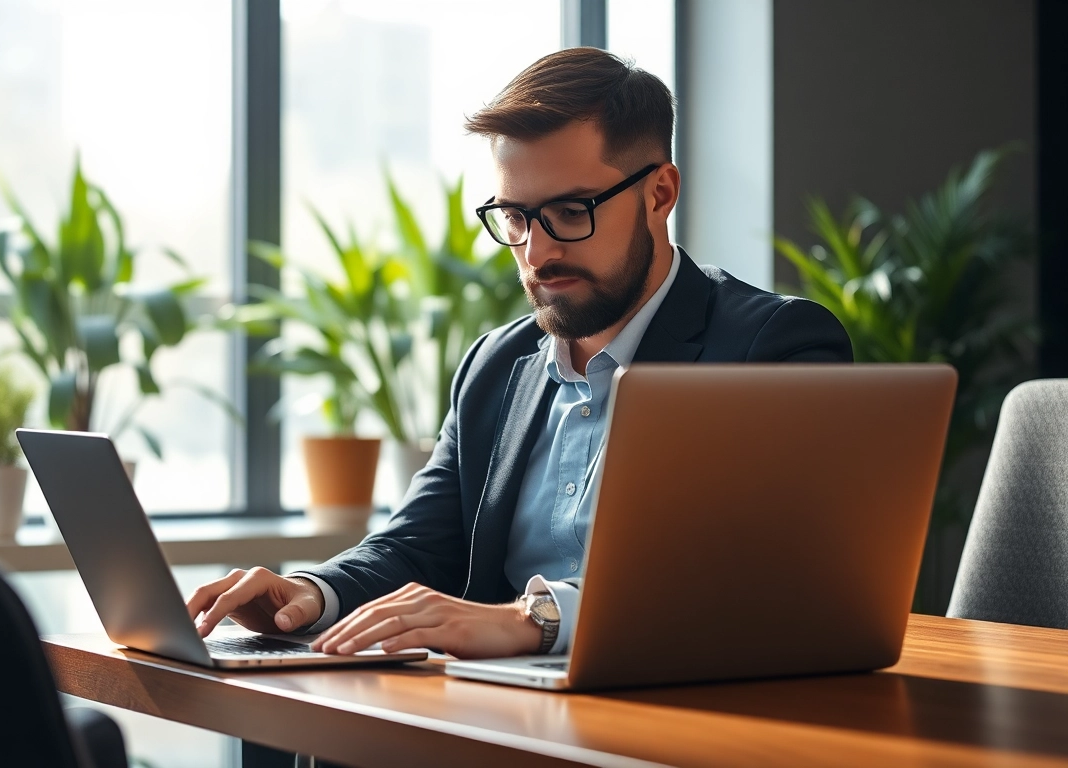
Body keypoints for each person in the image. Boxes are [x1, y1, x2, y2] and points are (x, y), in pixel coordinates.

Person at [186, 47, 852, 659]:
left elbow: (768, 581)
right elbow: (418, 543)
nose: (537, 251)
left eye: (570, 211)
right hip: (497, 712)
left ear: (660, 194)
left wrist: (535, 620)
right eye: (514, 216)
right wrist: (312, 591)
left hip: (678, 709)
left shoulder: (771, 349)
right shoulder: (496, 366)